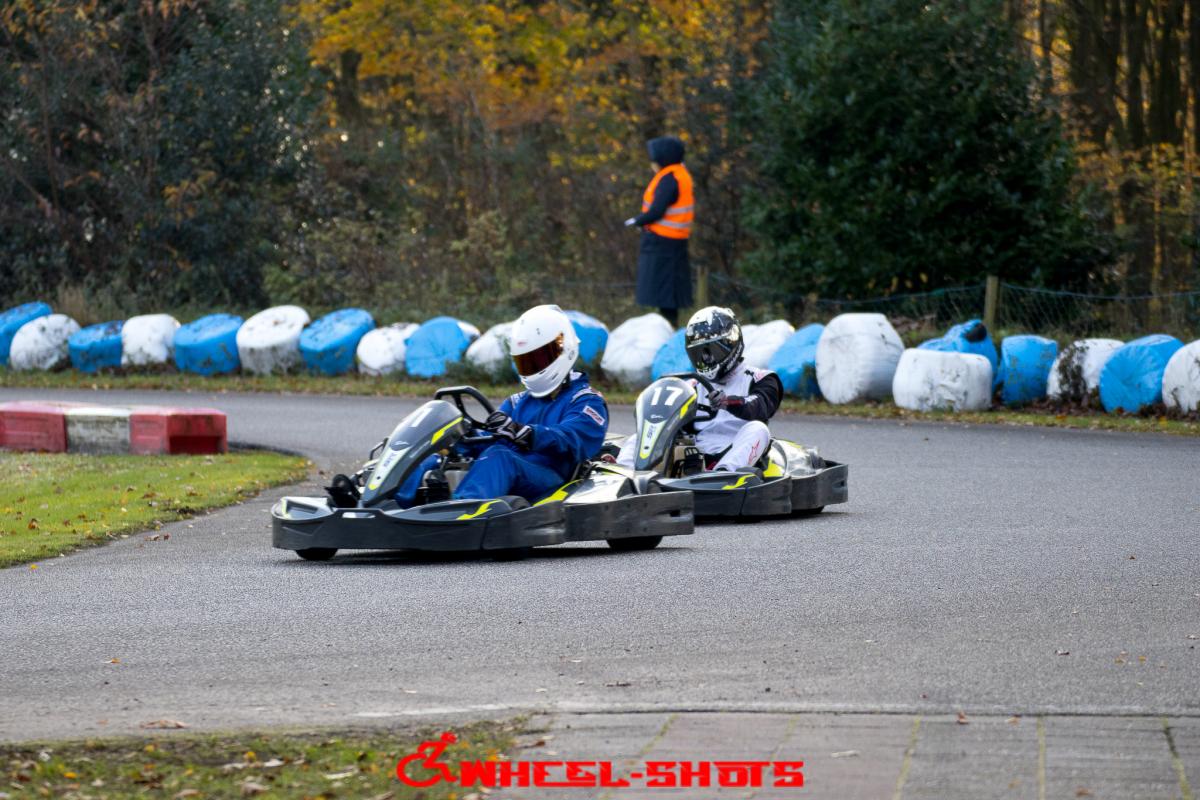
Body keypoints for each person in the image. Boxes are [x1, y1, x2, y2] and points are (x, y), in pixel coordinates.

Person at [394, 304, 609, 505]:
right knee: (436, 457)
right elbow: (490, 438)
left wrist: (527, 434)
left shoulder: (586, 400)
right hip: (513, 469)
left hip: (551, 476)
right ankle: (393, 501)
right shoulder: (517, 402)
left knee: (499, 456)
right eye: (526, 362)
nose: (533, 367)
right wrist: (458, 437)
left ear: (564, 348)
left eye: (539, 359)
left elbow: (572, 440)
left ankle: (463, 511)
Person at [618, 306, 782, 472]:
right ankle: (623, 473)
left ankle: (724, 474)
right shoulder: (692, 386)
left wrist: (727, 402)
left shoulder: (760, 378)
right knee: (642, 436)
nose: (705, 359)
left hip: (736, 448)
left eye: (710, 351)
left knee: (759, 429)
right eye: (699, 354)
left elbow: (759, 406)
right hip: (694, 454)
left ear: (730, 342)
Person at [624, 136, 694, 327]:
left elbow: (657, 210)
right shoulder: (679, 175)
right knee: (668, 294)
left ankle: (667, 329)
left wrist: (637, 220)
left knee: (664, 294)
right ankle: (669, 327)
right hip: (674, 243)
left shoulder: (669, 179)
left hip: (663, 244)